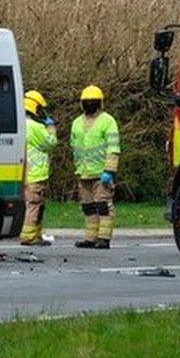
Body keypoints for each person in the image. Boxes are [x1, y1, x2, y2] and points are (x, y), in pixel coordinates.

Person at [70, 85, 120, 249]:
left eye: (93, 101)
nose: (89, 104)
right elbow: (74, 146)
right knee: (88, 207)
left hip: (101, 173)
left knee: (103, 206)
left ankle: (104, 238)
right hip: (83, 172)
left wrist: (109, 171)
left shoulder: (108, 121)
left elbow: (113, 148)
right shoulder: (76, 123)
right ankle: (90, 238)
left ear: (99, 103)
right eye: (87, 101)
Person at [20, 90, 57, 246]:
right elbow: (50, 143)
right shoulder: (35, 127)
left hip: (21, 173)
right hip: (35, 174)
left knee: (30, 205)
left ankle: (36, 234)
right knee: (35, 205)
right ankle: (29, 236)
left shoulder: (18, 124)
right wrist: (51, 127)